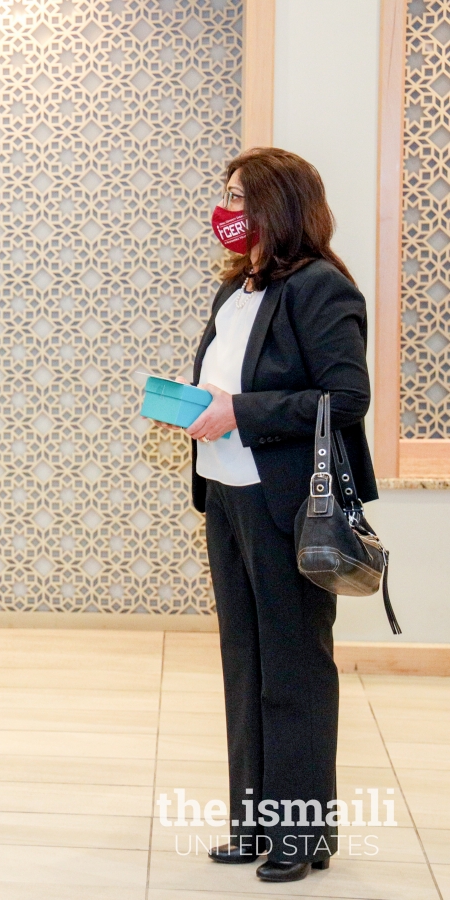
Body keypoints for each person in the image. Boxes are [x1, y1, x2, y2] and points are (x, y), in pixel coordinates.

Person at [181, 148, 376, 883]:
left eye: (239, 196)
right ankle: (253, 821)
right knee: (246, 663)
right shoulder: (235, 291)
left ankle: (303, 832)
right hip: (227, 493)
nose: (226, 210)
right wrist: (200, 404)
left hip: (289, 503)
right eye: (224, 194)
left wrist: (242, 411)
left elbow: (344, 398)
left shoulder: (321, 289)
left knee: (293, 666)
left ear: (278, 207)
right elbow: (229, 383)